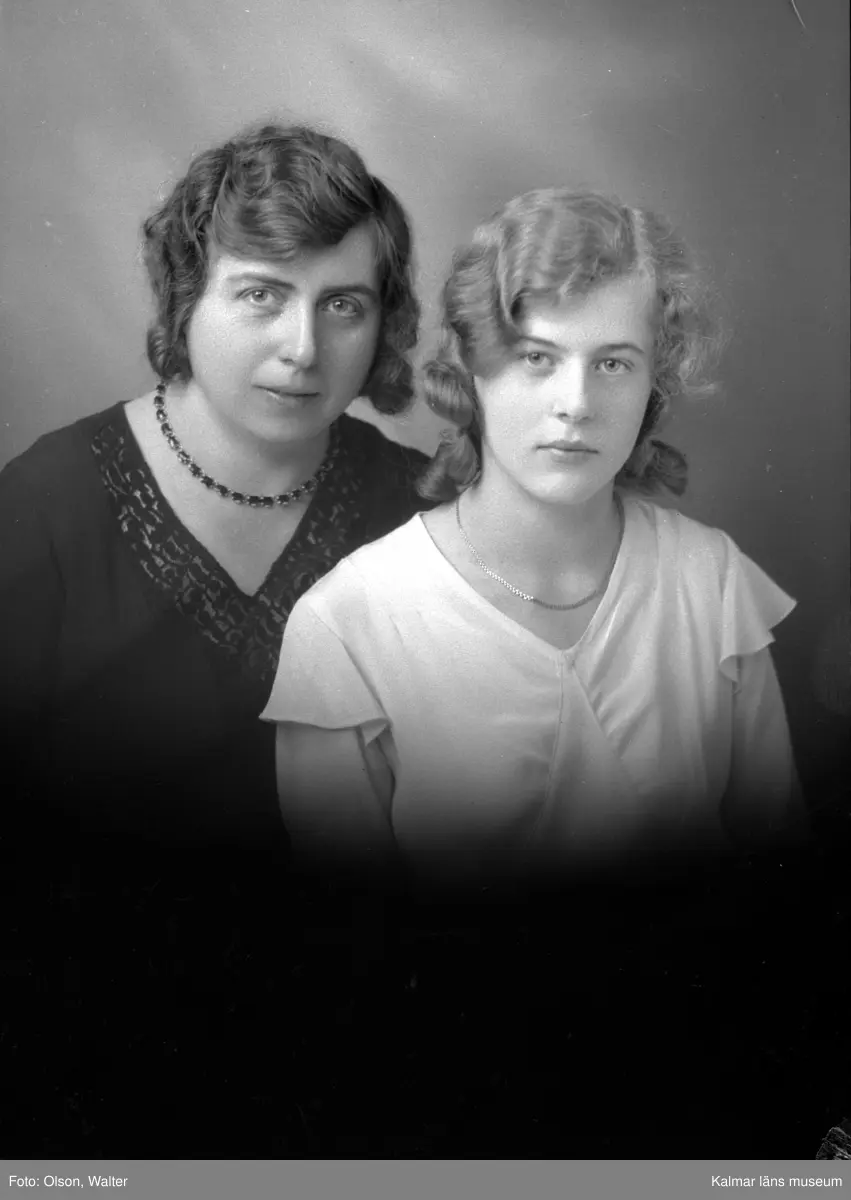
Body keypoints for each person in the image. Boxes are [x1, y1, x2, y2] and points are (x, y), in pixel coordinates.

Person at [0, 121, 431, 1153]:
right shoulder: (45, 508)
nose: (303, 348)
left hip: (359, 1060)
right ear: (186, 298)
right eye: (260, 295)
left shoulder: (418, 511)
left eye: (343, 304)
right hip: (87, 1066)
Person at [262, 188, 807, 899]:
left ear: (655, 382)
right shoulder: (346, 625)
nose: (575, 404)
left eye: (613, 363)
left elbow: (780, 877)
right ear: (470, 368)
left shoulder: (711, 580)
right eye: (535, 358)